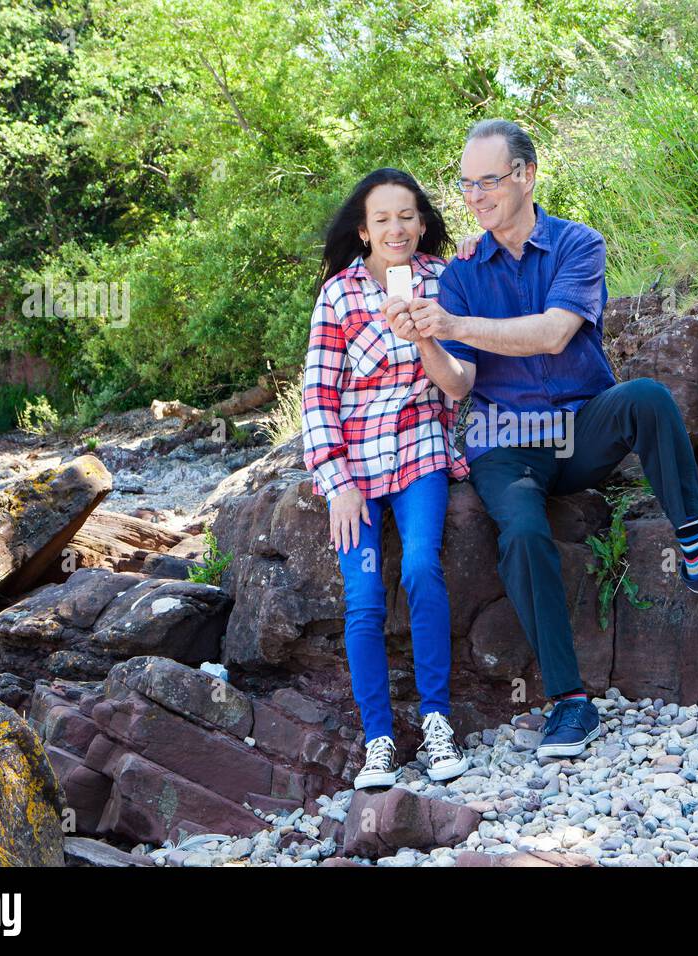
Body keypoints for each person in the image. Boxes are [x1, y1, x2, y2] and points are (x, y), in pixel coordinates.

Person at [381, 120, 698, 762]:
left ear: (526, 175)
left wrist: (455, 320)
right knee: (520, 533)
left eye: (487, 181)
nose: (474, 196)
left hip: (578, 428)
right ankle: (571, 702)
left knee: (649, 398)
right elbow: (460, 385)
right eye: (465, 184)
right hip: (504, 441)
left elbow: (553, 334)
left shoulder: (579, 244)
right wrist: (428, 340)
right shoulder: (461, 272)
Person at [302, 167, 475, 789]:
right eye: (383, 219)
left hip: (421, 447)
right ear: (365, 229)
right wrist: (336, 481)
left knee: (422, 567)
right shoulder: (338, 295)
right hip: (355, 465)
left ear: (422, 223)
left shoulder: (443, 282)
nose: (397, 228)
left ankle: (437, 724)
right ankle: (378, 738)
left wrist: (426, 332)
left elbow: (459, 382)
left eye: (407, 216)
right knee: (364, 599)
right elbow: (318, 397)